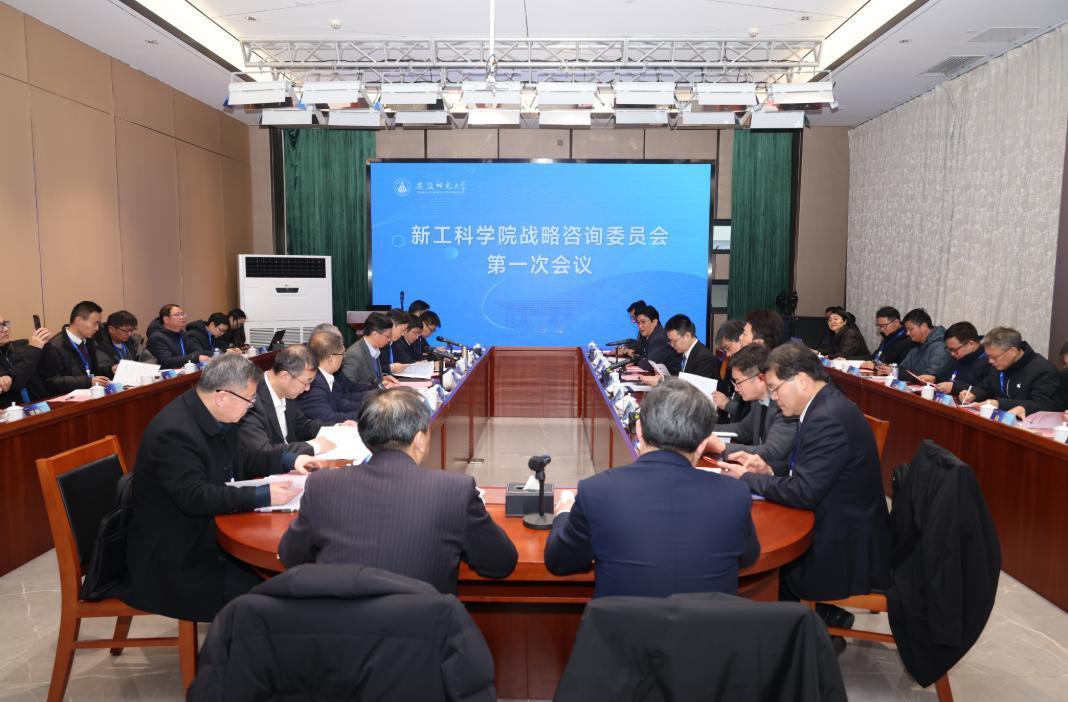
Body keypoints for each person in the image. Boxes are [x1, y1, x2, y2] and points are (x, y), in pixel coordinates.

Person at [122, 354, 310, 622]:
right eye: (250, 399)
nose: (252, 406)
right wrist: (264, 495)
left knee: (284, 583)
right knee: (271, 597)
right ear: (222, 396)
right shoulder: (174, 432)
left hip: (207, 537)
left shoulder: (215, 414)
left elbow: (242, 457)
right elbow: (195, 497)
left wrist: (290, 460)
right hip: (177, 557)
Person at [723, 343, 891, 638]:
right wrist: (768, 470)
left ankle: (808, 637)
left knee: (767, 566)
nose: (774, 397)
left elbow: (803, 491)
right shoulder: (822, 405)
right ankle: (817, 621)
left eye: (775, 388)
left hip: (843, 544)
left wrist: (747, 478)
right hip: (837, 519)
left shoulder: (827, 417)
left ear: (801, 380)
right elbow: (806, 471)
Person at [279, 387, 518, 593]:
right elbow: (500, 563)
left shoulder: (322, 485)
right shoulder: (455, 490)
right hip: (421, 628)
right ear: (420, 440)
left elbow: (291, 556)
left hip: (338, 628)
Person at [544, 378, 759, 598]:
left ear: (639, 429)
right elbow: (748, 557)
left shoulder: (596, 491)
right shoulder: (734, 495)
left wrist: (563, 513)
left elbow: (559, 561)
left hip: (624, 621)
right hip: (706, 621)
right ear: (704, 443)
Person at [705, 344, 798, 474]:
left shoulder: (785, 404)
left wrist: (721, 447)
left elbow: (771, 452)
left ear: (760, 379)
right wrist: (704, 430)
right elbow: (744, 430)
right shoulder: (758, 400)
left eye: (738, 382)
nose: (736, 388)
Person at [238, 345, 337, 461]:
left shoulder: (287, 391)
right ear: (285, 376)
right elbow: (263, 451)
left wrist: (337, 427)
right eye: (306, 382)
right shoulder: (250, 398)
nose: (307, 388)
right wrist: (313, 446)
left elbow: (302, 426)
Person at [960, 327, 1062, 418]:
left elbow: (1042, 405)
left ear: (1012, 351)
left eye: (994, 357)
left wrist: (999, 404)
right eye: (988, 356)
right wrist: (974, 393)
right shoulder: (999, 364)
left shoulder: (1043, 370)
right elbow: (987, 387)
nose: (990, 361)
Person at [296, 331, 370, 423]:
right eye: (342, 354)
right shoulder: (314, 383)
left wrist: (370, 407)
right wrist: (369, 415)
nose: (343, 358)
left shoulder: (325, 375)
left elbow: (340, 403)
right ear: (331, 359)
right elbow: (328, 418)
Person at [38, 301, 110, 393]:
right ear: (78, 321)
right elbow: (52, 381)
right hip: (69, 397)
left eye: (98, 325)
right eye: (95, 324)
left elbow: (89, 370)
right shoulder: (54, 346)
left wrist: (110, 370)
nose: (97, 328)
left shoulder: (89, 341)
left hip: (91, 393)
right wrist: (88, 381)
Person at [642, 314, 718, 386]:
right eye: (670, 341)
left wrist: (662, 380)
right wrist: (662, 375)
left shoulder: (704, 358)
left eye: (674, 341)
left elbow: (692, 388)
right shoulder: (683, 352)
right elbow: (681, 378)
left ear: (687, 336)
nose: (672, 345)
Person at [341, 312, 400, 388]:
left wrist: (382, 378)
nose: (389, 340)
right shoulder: (354, 354)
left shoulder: (373, 348)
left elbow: (370, 376)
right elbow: (349, 387)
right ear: (375, 334)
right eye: (388, 336)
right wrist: (379, 388)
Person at [0, 316, 50, 406]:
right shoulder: (31, 349)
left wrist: (45, 344)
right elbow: (15, 381)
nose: (6, 329)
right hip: (12, 411)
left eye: (5, 324)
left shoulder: (19, 345)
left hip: (39, 405)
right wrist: (34, 350)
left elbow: (48, 370)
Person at [932, 322, 988, 396]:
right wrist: (934, 378)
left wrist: (954, 387)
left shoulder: (990, 360)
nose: (952, 354)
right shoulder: (957, 355)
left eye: (954, 350)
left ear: (971, 344)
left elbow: (985, 393)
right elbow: (945, 375)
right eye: (949, 350)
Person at [148, 304, 211, 369]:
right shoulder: (157, 338)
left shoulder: (185, 334)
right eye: (177, 315)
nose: (182, 317)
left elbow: (198, 351)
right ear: (166, 319)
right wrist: (194, 358)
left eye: (182, 314)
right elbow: (167, 362)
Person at [896, 308, 953, 381]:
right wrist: (894, 370)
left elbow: (928, 377)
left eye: (910, 329)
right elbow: (902, 368)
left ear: (924, 326)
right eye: (906, 330)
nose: (907, 333)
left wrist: (898, 372)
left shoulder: (940, 346)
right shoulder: (917, 343)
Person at [94, 310, 156, 374]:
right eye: (125, 331)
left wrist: (137, 368)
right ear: (111, 329)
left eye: (132, 330)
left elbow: (150, 359)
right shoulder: (100, 346)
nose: (129, 334)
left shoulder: (133, 341)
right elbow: (103, 369)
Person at [861, 306, 915, 372]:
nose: (881, 329)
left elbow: (901, 368)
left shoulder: (908, 339)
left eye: (884, 325)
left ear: (896, 322)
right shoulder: (888, 336)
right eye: (879, 326)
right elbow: (877, 355)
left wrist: (875, 366)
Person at [634, 305, 681, 375]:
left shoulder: (660, 339)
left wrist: (635, 359)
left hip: (673, 379)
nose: (640, 326)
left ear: (654, 322)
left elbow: (648, 364)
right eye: (638, 323)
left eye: (643, 322)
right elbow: (644, 355)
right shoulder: (649, 336)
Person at [379, 309, 411, 376]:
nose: (403, 334)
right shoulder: (378, 343)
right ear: (392, 325)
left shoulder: (396, 343)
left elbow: (407, 361)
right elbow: (370, 370)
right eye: (402, 330)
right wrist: (390, 368)